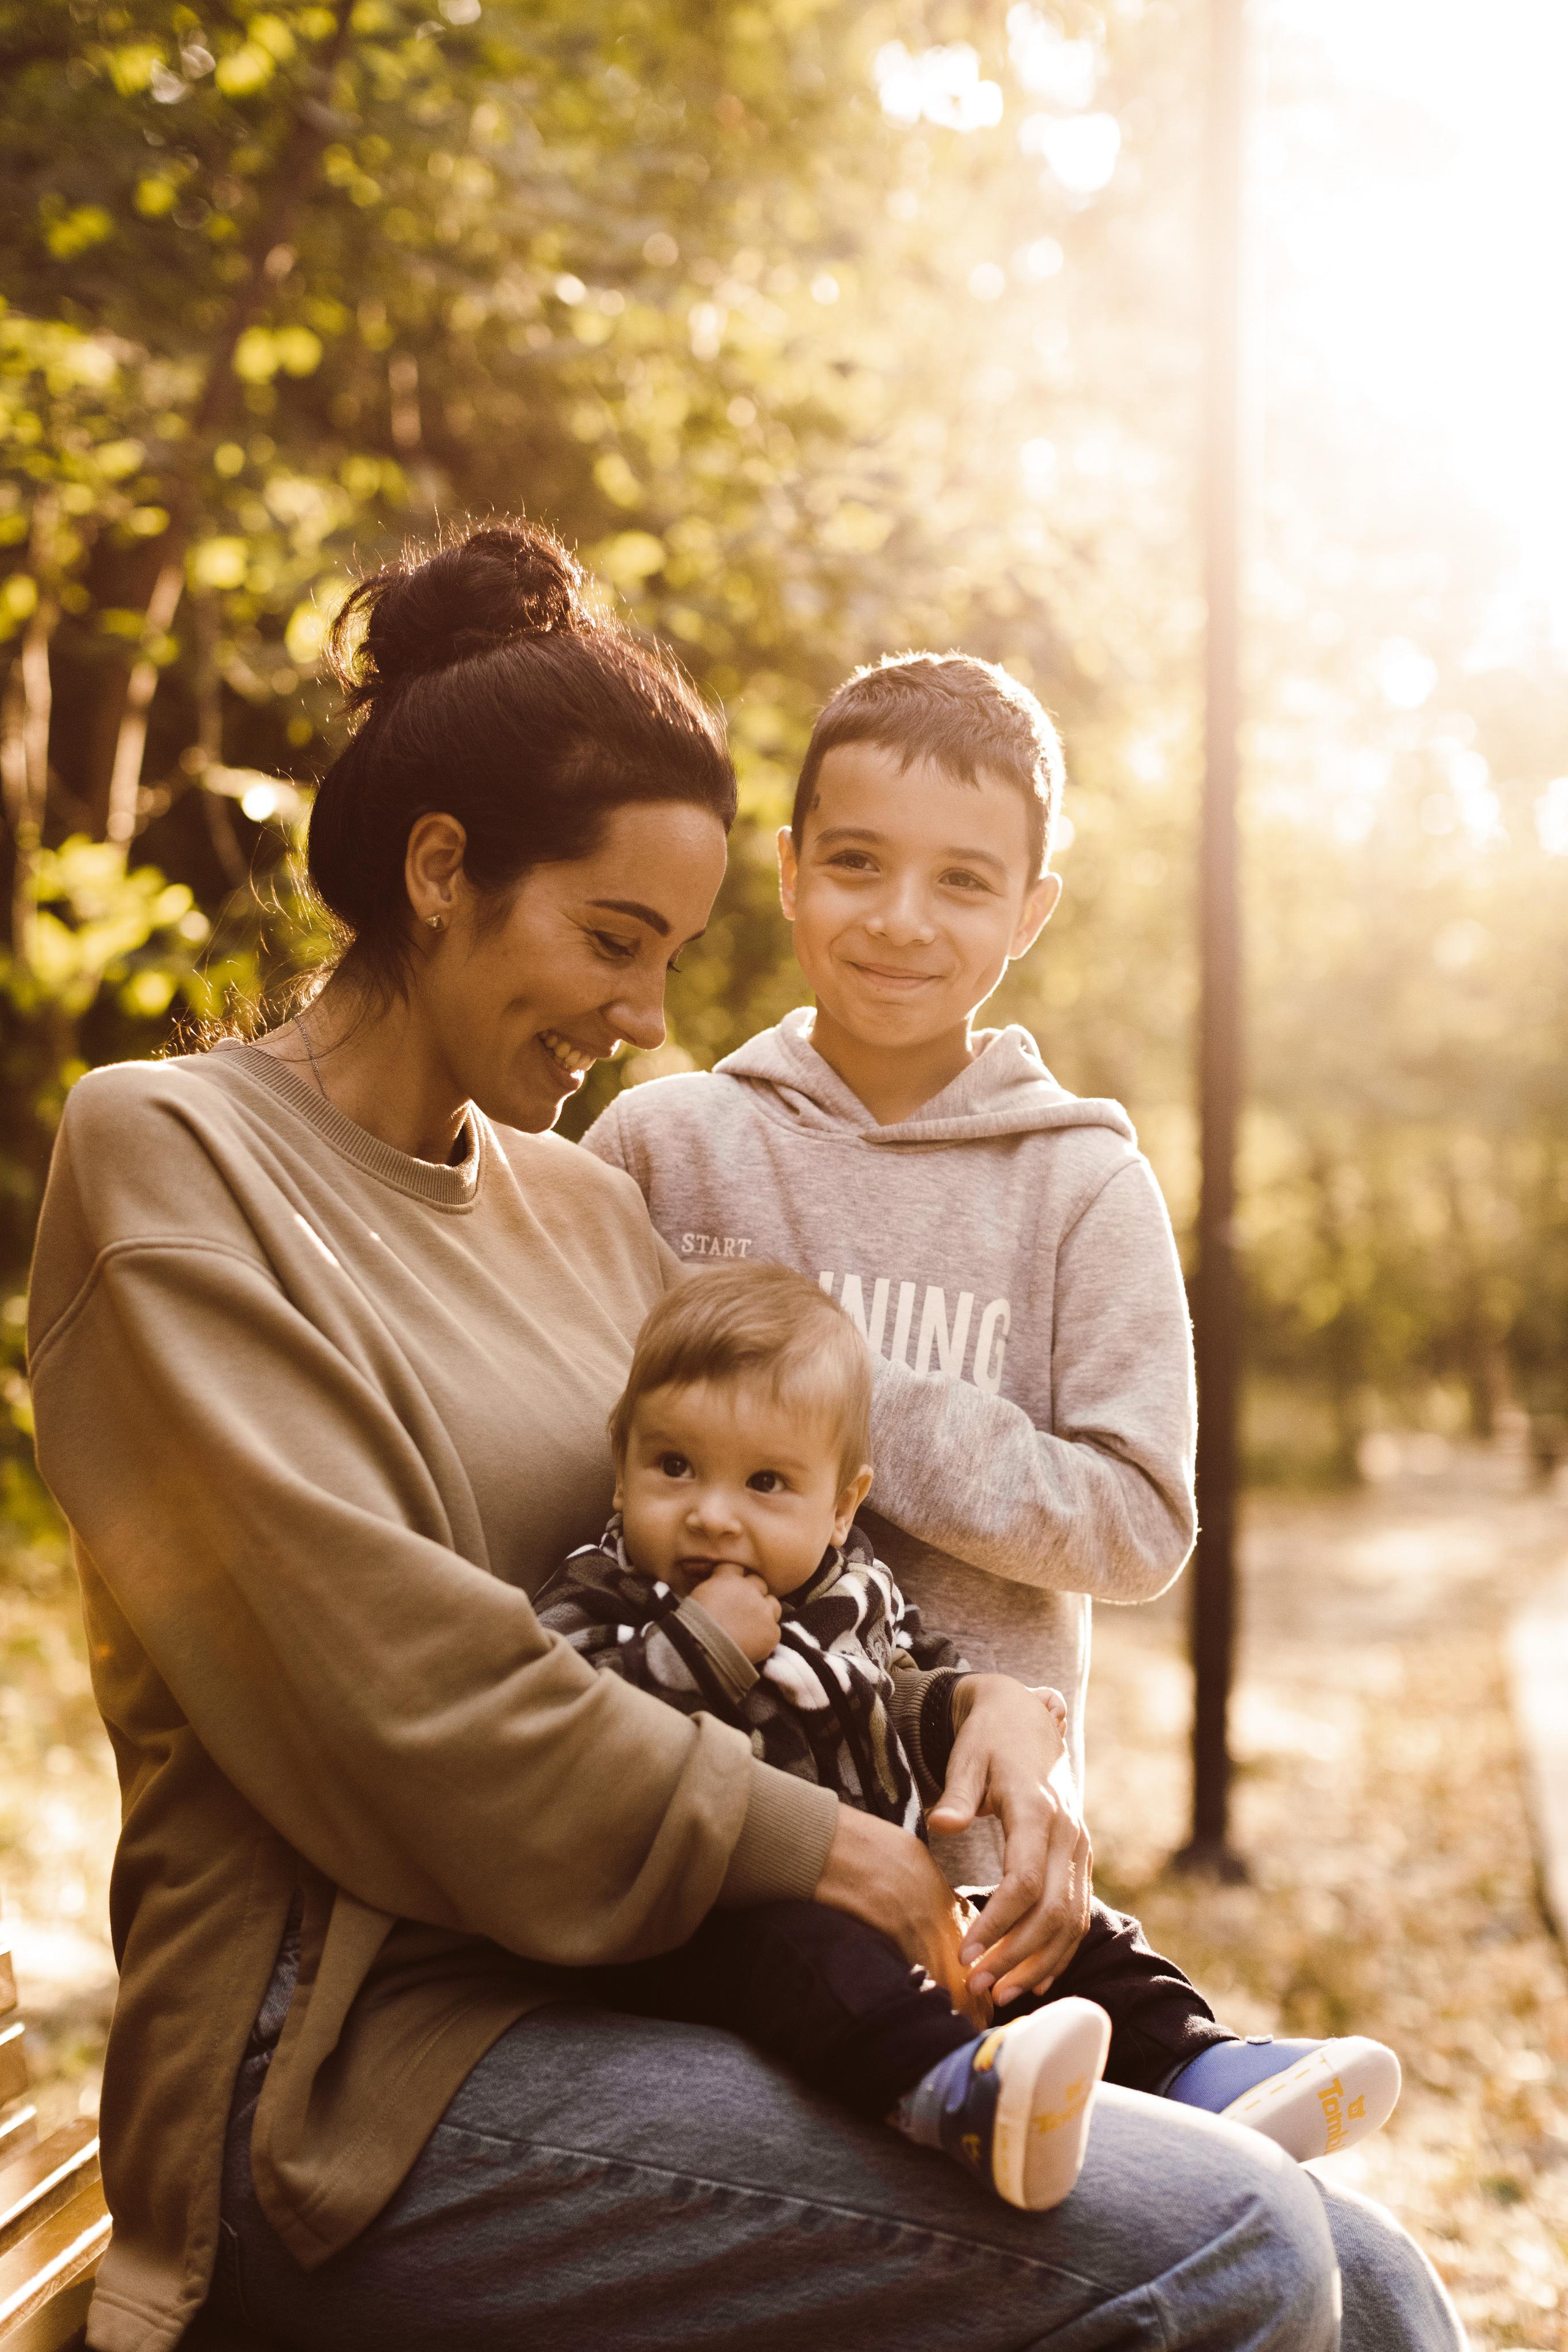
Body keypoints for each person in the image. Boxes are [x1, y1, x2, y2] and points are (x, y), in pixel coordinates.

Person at [25, 519, 1464, 2352]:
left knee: (1382, 2267)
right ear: (444, 869)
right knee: (1240, 2244)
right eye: (613, 942)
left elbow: (772, 1569)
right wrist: (824, 1847)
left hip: (646, 1998)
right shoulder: (171, 1161)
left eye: (676, 957)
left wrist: (977, 1710)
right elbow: (403, 1710)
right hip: (353, 2082)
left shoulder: (582, 1213)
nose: (647, 1018)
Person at [534, 1261, 1402, 2212]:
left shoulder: (847, 1587)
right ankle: (955, 2092)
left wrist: (983, 1711)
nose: (712, 1512)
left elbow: (903, 1688)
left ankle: (1198, 2069)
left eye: (767, 1483)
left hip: (897, 1894)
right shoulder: (599, 1593)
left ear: (842, 1507)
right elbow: (580, 1736)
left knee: (1055, 1934)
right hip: (709, 1918)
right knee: (809, 1959)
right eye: (673, 1467)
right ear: (621, 1466)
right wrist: (700, 1647)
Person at [580, 651, 1191, 1888]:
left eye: (962, 882)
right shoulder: (663, 1144)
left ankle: (1213, 2074)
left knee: (1040, 2059)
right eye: (855, 862)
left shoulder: (1081, 1189)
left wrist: (856, 1393)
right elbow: (552, 1443)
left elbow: (1136, 1529)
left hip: (968, 1846)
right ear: (790, 873)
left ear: (1027, 913)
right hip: (687, 1816)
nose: (900, 918)